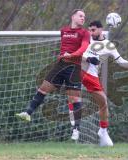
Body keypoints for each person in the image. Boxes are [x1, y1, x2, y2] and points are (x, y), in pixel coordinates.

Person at [69, 20, 128, 146]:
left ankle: (103, 131)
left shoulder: (108, 45)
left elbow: (121, 62)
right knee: (72, 91)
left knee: (104, 103)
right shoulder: (85, 39)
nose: (90, 32)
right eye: (89, 29)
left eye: (93, 30)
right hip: (78, 70)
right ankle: (74, 121)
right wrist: (88, 58)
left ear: (100, 29)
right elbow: (74, 54)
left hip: (91, 76)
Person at [16, 9, 90, 139]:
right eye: (80, 16)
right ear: (73, 16)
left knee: (74, 99)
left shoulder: (85, 33)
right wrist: (64, 56)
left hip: (74, 68)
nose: (83, 18)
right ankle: (27, 113)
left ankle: (76, 129)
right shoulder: (64, 31)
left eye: (84, 16)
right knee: (43, 89)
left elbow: (83, 48)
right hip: (60, 65)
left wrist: (71, 55)